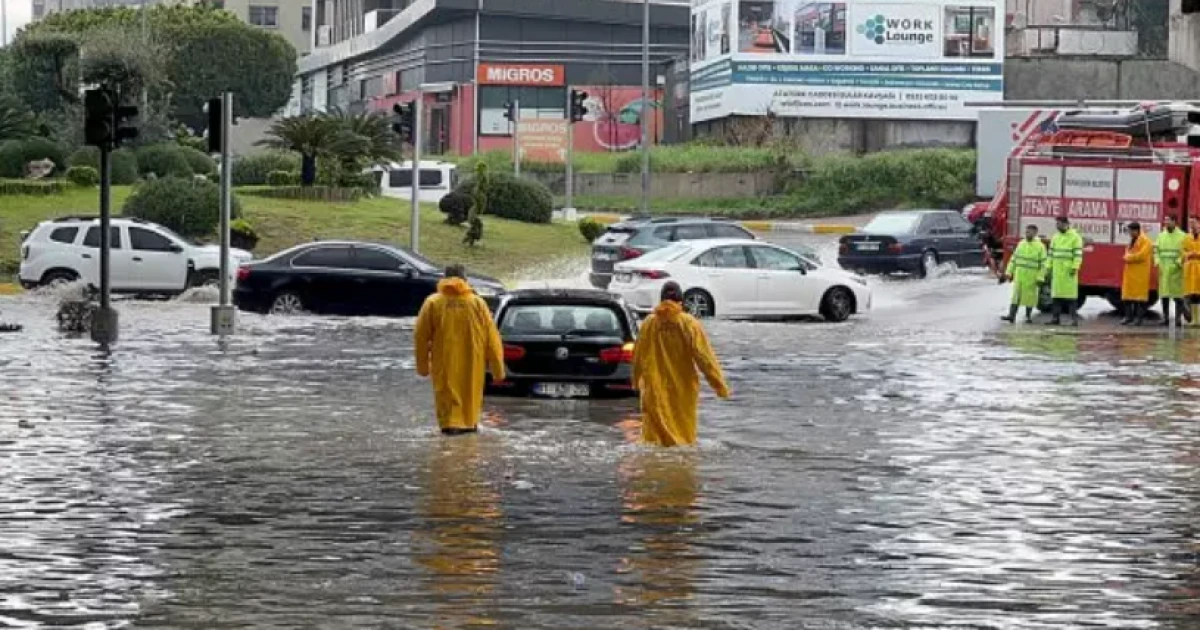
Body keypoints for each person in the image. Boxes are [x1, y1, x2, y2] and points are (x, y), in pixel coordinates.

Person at [632, 282, 731, 447]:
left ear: (661, 299)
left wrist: (636, 382)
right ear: (681, 301)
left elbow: (637, 356)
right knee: (683, 439)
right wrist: (719, 386)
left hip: (653, 390)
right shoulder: (689, 323)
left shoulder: (649, 323)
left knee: (654, 440)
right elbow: (704, 357)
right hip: (683, 391)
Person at [414, 265, 505, 435]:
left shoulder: (432, 302)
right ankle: (469, 431)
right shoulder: (477, 303)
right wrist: (498, 370)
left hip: (444, 364)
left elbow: (420, 336)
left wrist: (423, 367)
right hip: (473, 364)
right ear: (465, 279)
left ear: (443, 279)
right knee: (470, 402)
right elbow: (493, 339)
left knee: (447, 402)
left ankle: (449, 431)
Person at [1001, 224, 1046, 324]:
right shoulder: (1021, 244)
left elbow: (1043, 264)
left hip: (1031, 276)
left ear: (1035, 233)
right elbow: (1014, 259)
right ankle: (1011, 316)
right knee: (1015, 297)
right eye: (1026, 232)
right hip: (1019, 275)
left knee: (1029, 298)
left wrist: (1040, 277)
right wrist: (1008, 272)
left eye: (1029, 232)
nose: (1027, 234)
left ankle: (1028, 316)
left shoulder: (1040, 247)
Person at [1045, 216, 1084, 326]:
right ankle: (1055, 319)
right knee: (1056, 297)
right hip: (1057, 271)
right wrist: (1048, 267)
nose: (1057, 226)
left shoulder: (1075, 237)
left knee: (1071, 297)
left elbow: (1078, 254)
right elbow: (1051, 254)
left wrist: (1075, 267)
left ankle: (1073, 320)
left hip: (1068, 271)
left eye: (1059, 224)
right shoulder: (1055, 237)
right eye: (1057, 224)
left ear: (1066, 224)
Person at [1156, 214, 1193, 327]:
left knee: (1177, 296)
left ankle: (1178, 319)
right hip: (1164, 269)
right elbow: (1156, 250)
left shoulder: (1182, 236)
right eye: (1165, 220)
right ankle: (1165, 318)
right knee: (1164, 295)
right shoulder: (1161, 235)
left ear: (1174, 222)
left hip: (1176, 270)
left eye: (1168, 221)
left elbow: (1185, 251)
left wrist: (1178, 263)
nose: (1166, 223)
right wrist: (1157, 261)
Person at [1120, 222, 1153, 326]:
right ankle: (1128, 317)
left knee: (1140, 298)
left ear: (1136, 230)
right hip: (1130, 272)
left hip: (1140, 273)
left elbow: (1142, 256)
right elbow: (1128, 252)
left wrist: (1129, 257)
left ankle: (1138, 319)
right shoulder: (1132, 240)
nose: (1129, 233)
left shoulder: (1146, 241)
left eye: (1130, 231)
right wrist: (1128, 256)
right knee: (1127, 297)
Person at [1184, 219, 1200, 326]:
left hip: (1198, 267)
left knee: (1198, 295)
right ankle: (1195, 320)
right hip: (1190, 269)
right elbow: (1182, 251)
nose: (1192, 225)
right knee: (1192, 295)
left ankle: (1198, 319)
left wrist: (1197, 253)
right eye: (1191, 223)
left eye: (1194, 223)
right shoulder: (1187, 238)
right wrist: (1188, 254)